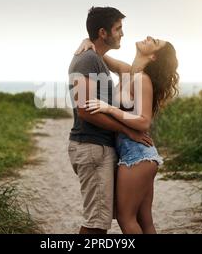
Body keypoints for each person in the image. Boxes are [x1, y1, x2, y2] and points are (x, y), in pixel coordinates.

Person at [75, 35, 179, 234]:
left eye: (154, 42)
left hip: (137, 156)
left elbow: (143, 121)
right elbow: (98, 54)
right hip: (140, 156)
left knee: (126, 218)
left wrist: (109, 108)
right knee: (144, 219)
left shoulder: (142, 79)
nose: (149, 37)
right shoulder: (128, 72)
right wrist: (87, 41)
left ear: (154, 57)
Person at [67, 7, 154, 234]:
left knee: (115, 219)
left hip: (112, 149)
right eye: (118, 29)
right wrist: (88, 40)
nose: (122, 34)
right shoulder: (88, 60)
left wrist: (90, 40)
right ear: (104, 32)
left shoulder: (126, 72)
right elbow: (85, 111)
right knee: (98, 223)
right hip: (93, 146)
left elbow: (124, 69)